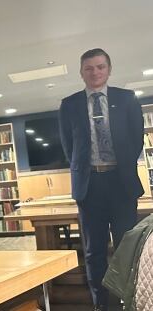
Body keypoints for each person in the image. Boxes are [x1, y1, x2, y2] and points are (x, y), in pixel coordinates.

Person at [59, 48, 144, 311]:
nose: (95, 72)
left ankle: (128, 302)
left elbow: (136, 139)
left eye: (100, 67)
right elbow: (68, 146)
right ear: (81, 72)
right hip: (90, 186)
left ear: (109, 69)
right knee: (94, 252)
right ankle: (101, 305)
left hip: (121, 184)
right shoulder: (69, 104)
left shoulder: (127, 99)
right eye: (89, 68)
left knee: (125, 248)